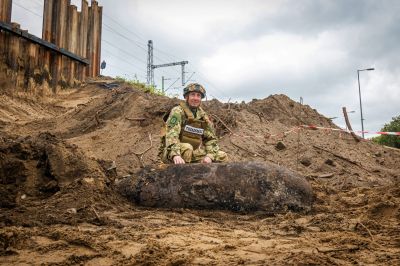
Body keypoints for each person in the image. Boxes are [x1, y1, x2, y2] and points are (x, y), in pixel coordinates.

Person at [160, 83, 228, 164]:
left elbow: (211, 139)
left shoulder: (203, 116)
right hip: (171, 152)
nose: (196, 98)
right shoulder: (178, 111)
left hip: (192, 153)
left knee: (222, 156)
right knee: (187, 148)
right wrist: (175, 154)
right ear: (186, 97)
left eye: (198, 95)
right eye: (192, 95)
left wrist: (209, 156)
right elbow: (171, 134)